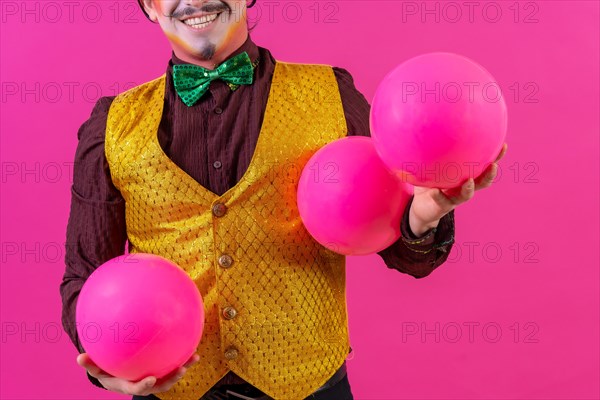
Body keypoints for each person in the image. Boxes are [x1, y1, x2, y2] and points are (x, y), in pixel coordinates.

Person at [59, 1, 507, 399]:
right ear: (148, 6)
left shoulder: (331, 94)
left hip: (310, 387)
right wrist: (107, 367)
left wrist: (423, 217)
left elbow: (401, 250)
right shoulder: (111, 125)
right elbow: (84, 276)